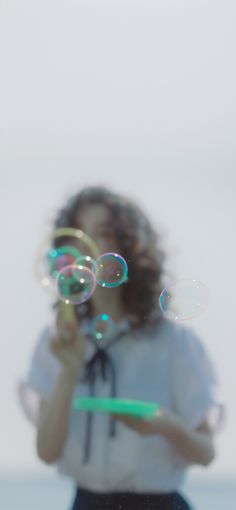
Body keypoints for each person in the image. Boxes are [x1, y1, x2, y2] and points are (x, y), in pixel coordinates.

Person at [19, 186, 224, 510]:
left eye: (103, 234)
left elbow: (206, 453)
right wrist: (70, 370)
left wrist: (166, 425)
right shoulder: (58, 341)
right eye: (78, 235)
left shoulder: (172, 342)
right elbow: (47, 452)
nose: (87, 246)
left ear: (129, 247)